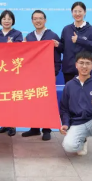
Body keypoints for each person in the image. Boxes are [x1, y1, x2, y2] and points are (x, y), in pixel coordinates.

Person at [22, 10, 62, 141]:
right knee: (33, 100)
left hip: (48, 74)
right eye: (35, 19)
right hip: (32, 75)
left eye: (40, 18)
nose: (37, 21)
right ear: (32, 21)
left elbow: (60, 53)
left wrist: (55, 71)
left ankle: (46, 129)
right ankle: (34, 128)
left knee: (46, 101)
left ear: (45, 20)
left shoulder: (52, 35)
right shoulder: (29, 37)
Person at [0, 10, 23, 137]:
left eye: (9, 19)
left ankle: (12, 125)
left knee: (12, 98)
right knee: (1, 98)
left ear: (13, 21)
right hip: (0, 71)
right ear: (0, 20)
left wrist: (13, 46)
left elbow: (22, 50)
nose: (6, 21)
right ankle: (4, 123)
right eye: (4, 19)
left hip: (13, 71)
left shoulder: (17, 34)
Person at [60, 1, 92, 84]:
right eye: (75, 11)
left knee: (85, 91)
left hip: (84, 70)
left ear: (84, 12)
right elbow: (63, 48)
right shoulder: (66, 29)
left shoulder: (91, 30)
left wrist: (79, 40)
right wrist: (57, 45)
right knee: (70, 91)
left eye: (80, 11)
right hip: (69, 70)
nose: (77, 14)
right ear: (72, 13)